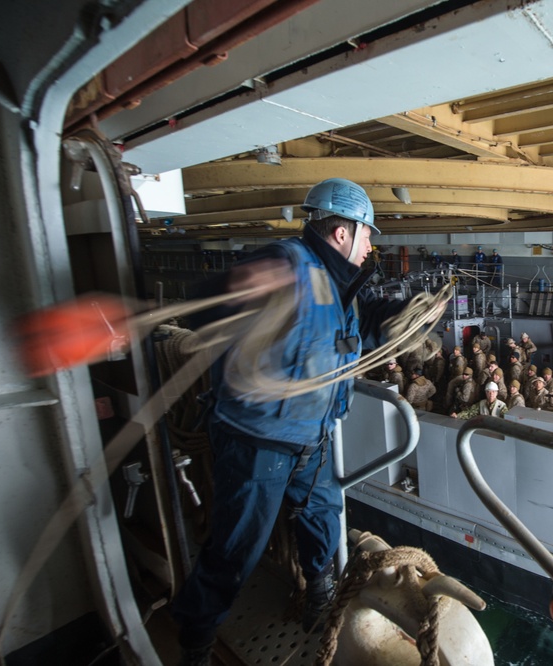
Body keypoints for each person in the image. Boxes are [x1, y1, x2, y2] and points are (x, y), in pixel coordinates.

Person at [172, 178, 412, 664]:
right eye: (366, 233)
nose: (371, 244)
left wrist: (397, 318)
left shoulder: (336, 281)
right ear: (342, 232)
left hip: (313, 441)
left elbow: (351, 326)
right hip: (259, 444)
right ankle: (195, 645)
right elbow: (209, 309)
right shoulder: (284, 266)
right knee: (234, 552)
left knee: (323, 523)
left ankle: (320, 599)